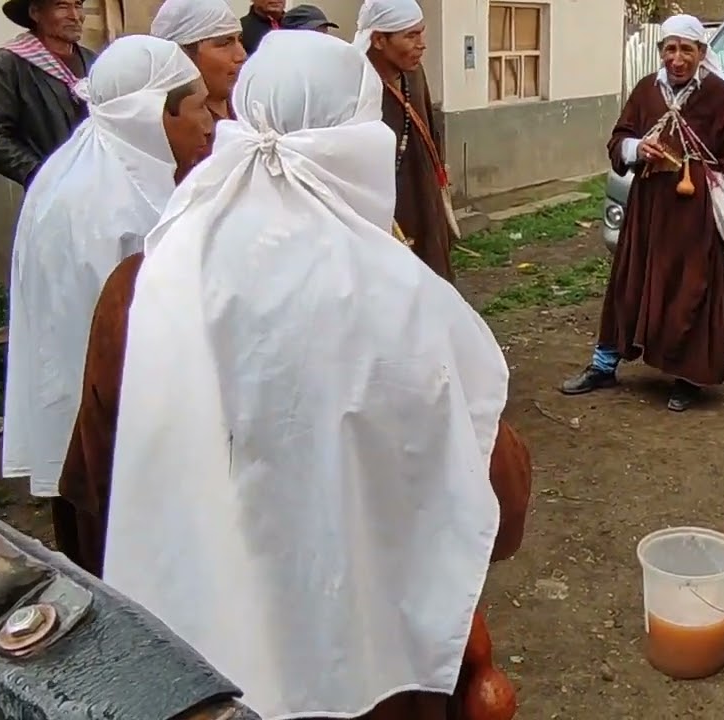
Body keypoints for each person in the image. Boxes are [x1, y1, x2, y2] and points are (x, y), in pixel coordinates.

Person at [99, 31, 530, 720]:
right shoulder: (397, 297)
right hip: (372, 666)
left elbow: (103, 475)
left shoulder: (150, 277)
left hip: (195, 656)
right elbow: (496, 500)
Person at [1, 35, 210, 510]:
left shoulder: (80, 171)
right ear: (155, 114)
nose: (208, 122)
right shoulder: (112, 206)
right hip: (112, 449)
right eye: (197, 107)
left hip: (93, 435)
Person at [559, 13, 724, 412]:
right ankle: (604, 364)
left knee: (691, 289)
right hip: (648, 206)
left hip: (694, 211)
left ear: (702, 53)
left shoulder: (719, 95)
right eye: (670, 49)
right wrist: (637, 149)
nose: (678, 58)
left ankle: (688, 377)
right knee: (628, 283)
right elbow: (618, 141)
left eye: (687, 49)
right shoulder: (646, 91)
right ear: (660, 52)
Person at [354, 0, 458, 283]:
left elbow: (432, 132)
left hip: (426, 197)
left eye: (421, 33)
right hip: (388, 211)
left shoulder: (414, 74)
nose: (422, 44)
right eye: (410, 36)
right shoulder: (357, 87)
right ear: (378, 40)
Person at [0, 0, 98, 187]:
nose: (75, 15)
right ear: (35, 13)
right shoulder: (7, 65)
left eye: (78, 5)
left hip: (99, 185)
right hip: (49, 192)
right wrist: (42, 176)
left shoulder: (94, 61)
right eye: (62, 6)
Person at [151, 0, 247, 122]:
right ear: (184, 54)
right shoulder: (178, 131)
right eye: (225, 43)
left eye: (240, 40)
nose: (241, 55)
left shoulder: (251, 112)